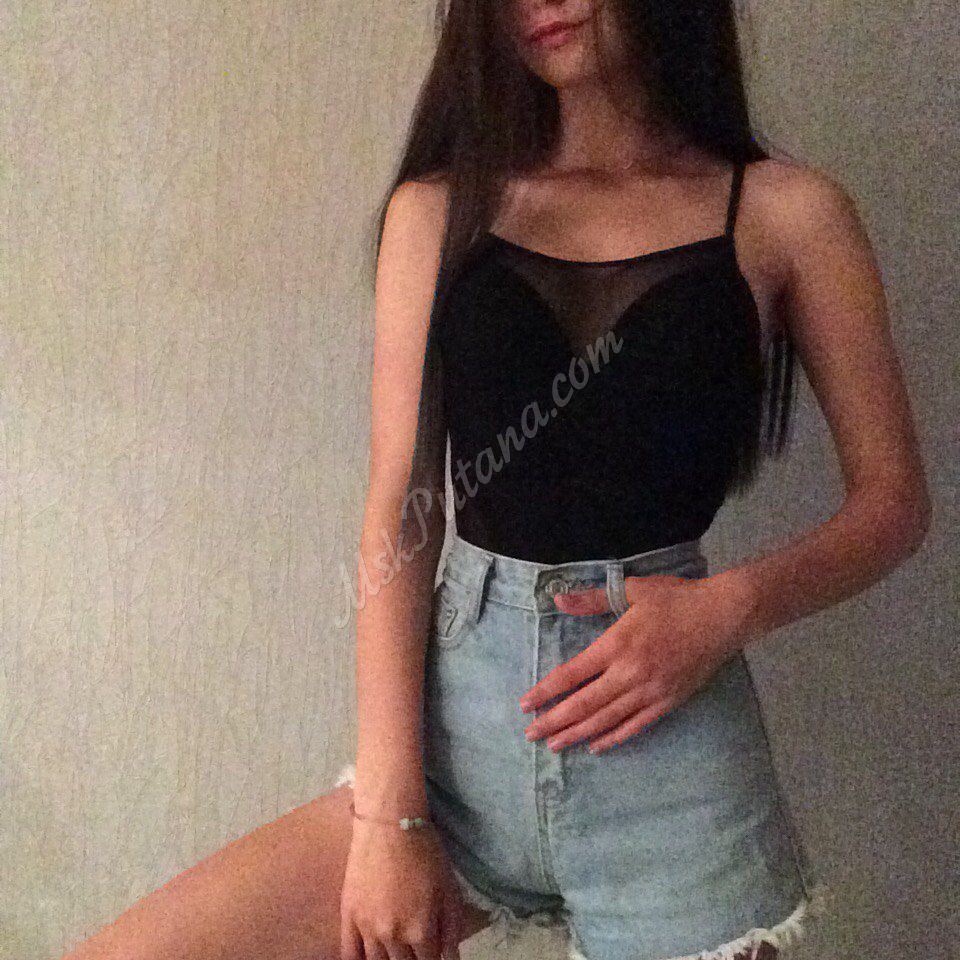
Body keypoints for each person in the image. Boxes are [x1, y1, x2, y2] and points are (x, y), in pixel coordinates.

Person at [58, 3, 930, 960]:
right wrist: (391, 818)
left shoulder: (787, 214)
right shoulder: (439, 210)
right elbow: (402, 508)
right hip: (456, 749)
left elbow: (892, 505)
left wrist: (729, 608)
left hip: (674, 769)